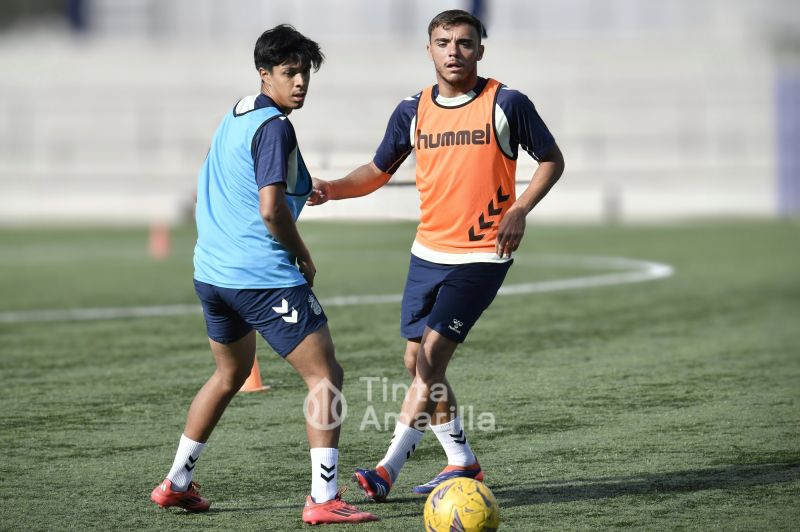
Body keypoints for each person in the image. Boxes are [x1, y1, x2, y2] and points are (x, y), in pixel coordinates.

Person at [308, 9, 565, 501]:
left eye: (465, 43)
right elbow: (378, 170)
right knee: (415, 360)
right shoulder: (413, 109)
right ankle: (463, 461)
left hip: (484, 255)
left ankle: (388, 468)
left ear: (480, 50)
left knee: (429, 358)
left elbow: (552, 160)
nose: (454, 51)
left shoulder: (506, 102)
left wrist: (520, 208)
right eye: (444, 42)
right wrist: (332, 190)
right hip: (427, 251)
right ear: (429, 49)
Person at [149, 25, 378, 525]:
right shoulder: (276, 126)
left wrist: (301, 185)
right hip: (262, 276)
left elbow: (235, 174)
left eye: (305, 73)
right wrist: (302, 255)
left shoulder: (239, 112)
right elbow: (271, 209)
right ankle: (323, 498)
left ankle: (175, 484)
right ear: (264, 74)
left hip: (212, 274)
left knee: (230, 374)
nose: (300, 83)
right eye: (289, 73)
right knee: (326, 377)